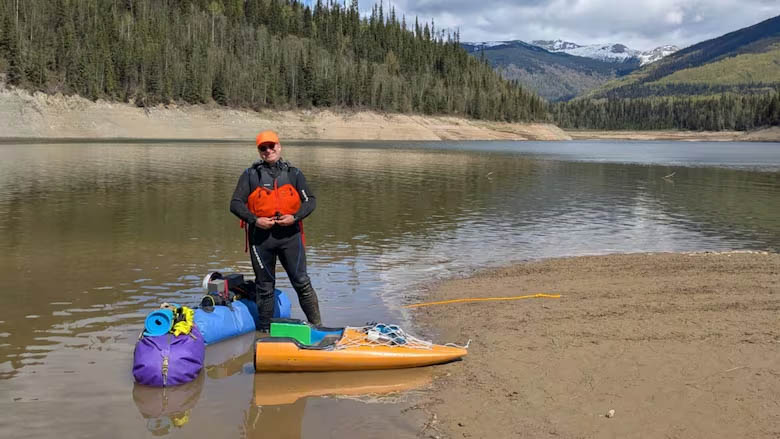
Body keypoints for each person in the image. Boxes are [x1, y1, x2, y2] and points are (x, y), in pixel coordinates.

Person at [230, 130, 322, 330]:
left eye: (272, 146)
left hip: (290, 237)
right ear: (259, 151)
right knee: (264, 288)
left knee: (301, 282)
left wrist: (295, 217)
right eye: (263, 148)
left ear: (279, 147)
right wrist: (255, 220)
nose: (268, 150)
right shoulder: (250, 175)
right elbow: (235, 204)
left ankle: (318, 326)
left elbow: (310, 201)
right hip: (261, 239)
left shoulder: (294, 174)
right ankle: (264, 333)